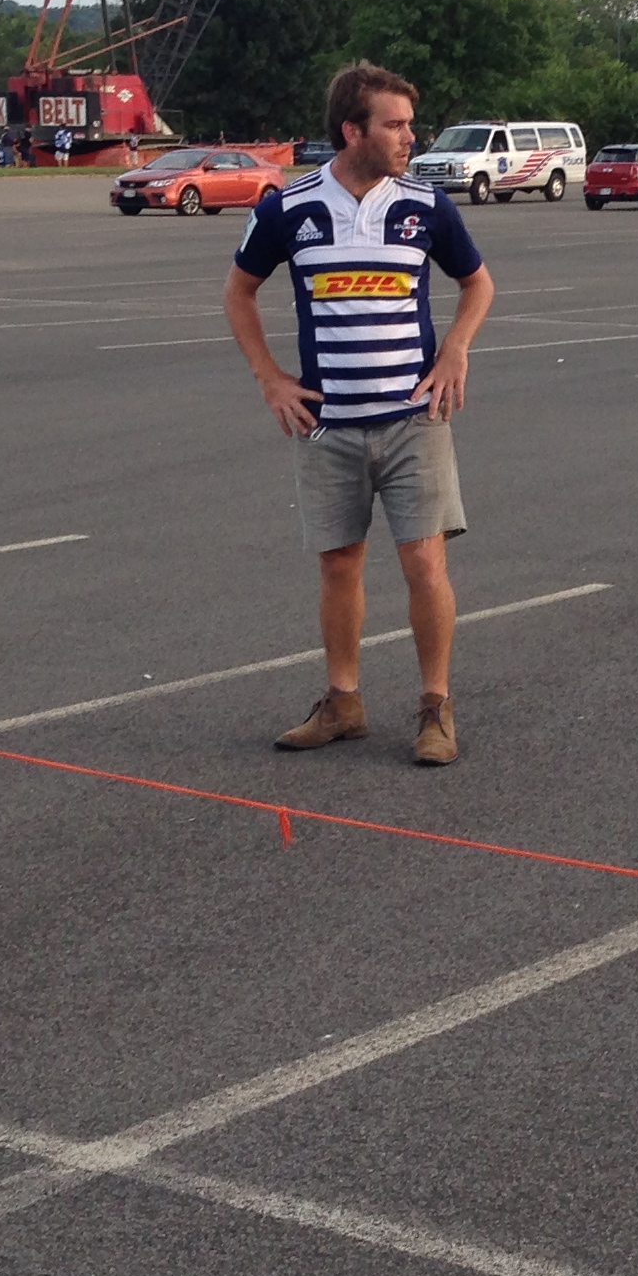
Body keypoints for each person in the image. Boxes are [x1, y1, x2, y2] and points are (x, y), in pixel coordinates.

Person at [225, 61, 496, 766]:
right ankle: (343, 703)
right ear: (353, 130)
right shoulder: (289, 208)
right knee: (340, 565)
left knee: (424, 565)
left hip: (414, 421)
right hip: (328, 425)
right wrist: (271, 380)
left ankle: (436, 708)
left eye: (411, 124)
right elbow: (239, 294)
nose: (411, 137)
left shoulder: (425, 206)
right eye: (396, 125)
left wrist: (456, 351)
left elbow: (478, 283)